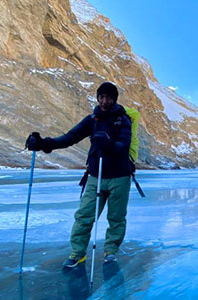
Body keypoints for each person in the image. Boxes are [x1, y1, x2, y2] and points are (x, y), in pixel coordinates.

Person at [25, 82, 133, 268]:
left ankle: (110, 252)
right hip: (95, 176)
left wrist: (109, 145)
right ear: (97, 98)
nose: (104, 101)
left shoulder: (123, 120)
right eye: (101, 97)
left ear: (114, 99)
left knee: (116, 218)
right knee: (84, 216)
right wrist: (43, 144)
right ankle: (77, 253)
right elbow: (69, 138)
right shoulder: (92, 120)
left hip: (119, 177)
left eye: (108, 97)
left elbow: (123, 144)